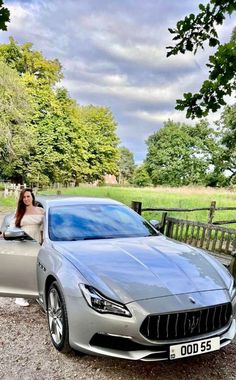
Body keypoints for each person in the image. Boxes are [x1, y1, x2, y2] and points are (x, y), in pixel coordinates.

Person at [10, 188, 44, 307]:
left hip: (37, 242)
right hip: (23, 242)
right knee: (24, 269)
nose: (26, 199)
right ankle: (20, 297)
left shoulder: (41, 211)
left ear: (32, 197)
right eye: (24, 197)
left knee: (36, 269)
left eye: (28, 196)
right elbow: (12, 227)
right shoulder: (19, 211)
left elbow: (44, 227)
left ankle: (36, 293)